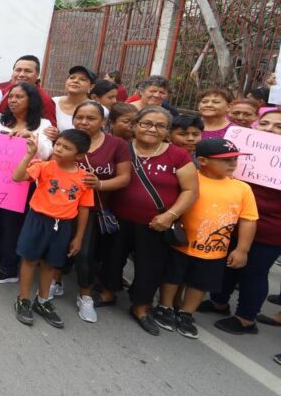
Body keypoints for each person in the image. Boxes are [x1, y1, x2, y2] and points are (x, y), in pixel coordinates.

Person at [105, 106, 199, 336]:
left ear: (167, 131)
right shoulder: (122, 148)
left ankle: (141, 306)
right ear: (135, 126)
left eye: (160, 125)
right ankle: (107, 291)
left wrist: (170, 215)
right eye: (146, 123)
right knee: (111, 259)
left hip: (156, 223)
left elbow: (190, 191)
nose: (152, 129)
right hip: (118, 219)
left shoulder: (178, 155)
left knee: (150, 267)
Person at [153, 138, 257, 339]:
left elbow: (248, 220)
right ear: (202, 160)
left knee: (200, 283)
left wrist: (242, 249)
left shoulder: (243, 189)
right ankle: (164, 306)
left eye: (235, 158)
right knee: (172, 276)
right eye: (226, 160)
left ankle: (186, 313)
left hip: (214, 251)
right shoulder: (191, 181)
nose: (233, 163)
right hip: (180, 243)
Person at [207, 109, 281, 333]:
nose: (269, 129)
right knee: (225, 264)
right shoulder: (242, 149)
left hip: (270, 227)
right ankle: (218, 302)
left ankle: (246, 318)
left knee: (253, 272)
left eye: (278, 126)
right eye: (265, 123)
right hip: (232, 220)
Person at [11, 129, 93, 328]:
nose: (59, 149)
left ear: (79, 155)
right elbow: (17, 177)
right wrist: (30, 154)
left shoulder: (85, 178)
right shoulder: (44, 166)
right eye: (58, 145)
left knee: (50, 264)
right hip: (37, 220)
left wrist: (79, 237)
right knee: (29, 260)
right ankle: (23, 299)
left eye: (67, 148)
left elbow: (84, 209)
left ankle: (43, 300)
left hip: (63, 225)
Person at [0, 83, 55, 283]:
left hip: (22, 183)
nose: (13, 100)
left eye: (19, 97)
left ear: (31, 101)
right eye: (11, 96)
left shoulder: (42, 125)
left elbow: (46, 153)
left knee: (12, 224)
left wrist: (32, 138)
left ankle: (8, 267)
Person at [69, 100, 131, 323]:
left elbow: (124, 178)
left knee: (85, 254)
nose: (84, 122)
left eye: (91, 118)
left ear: (103, 121)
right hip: (63, 207)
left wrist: (100, 185)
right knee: (58, 249)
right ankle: (52, 284)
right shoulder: (66, 138)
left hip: (95, 211)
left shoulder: (117, 145)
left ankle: (84, 295)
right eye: (80, 117)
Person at [0, 55, 56, 123]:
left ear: (37, 74)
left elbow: (50, 130)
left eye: (28, 71)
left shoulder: (44, 99)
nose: (21, 74)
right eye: (18, 70)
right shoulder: (1, 87)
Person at [52, 65, 97, 132]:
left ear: (91, 86)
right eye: (72, 78)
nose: (75, 81)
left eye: (82, 79)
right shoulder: (53, 102)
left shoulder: (97, 109)